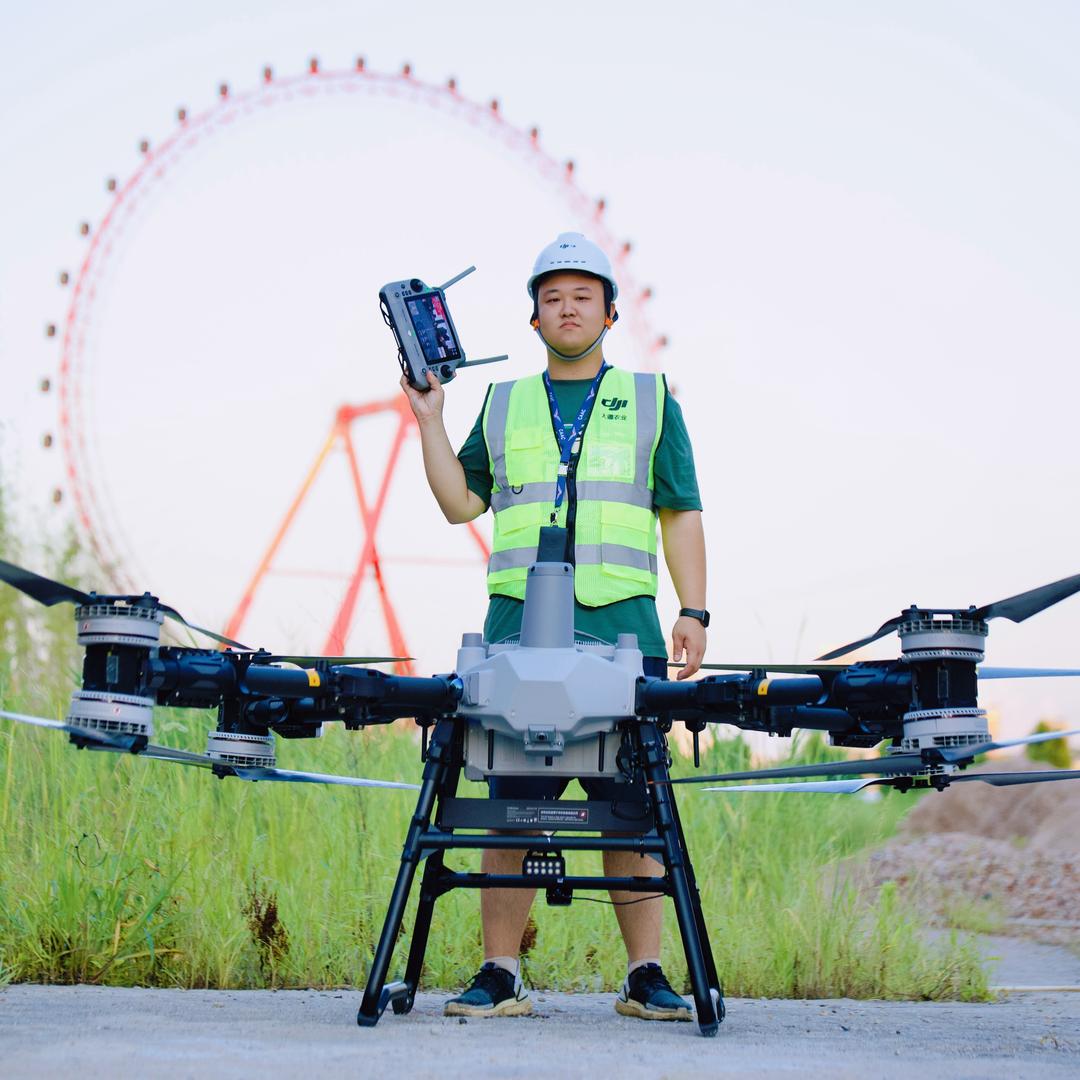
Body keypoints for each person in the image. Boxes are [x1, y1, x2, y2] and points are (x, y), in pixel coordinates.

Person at [400, 232, 709, 1022]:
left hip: (624, 635)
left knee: (632, 803)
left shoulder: (651, 398)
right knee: (510, 800)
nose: (567, 307)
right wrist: (429, 418)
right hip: (516, 640)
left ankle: (646, 977)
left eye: (582, 295)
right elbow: (458, 504)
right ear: (533, 318)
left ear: (609, 311)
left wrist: (694, 609)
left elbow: (680, 513)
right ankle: (500, 972)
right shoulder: (503, 404)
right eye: (551, 296)